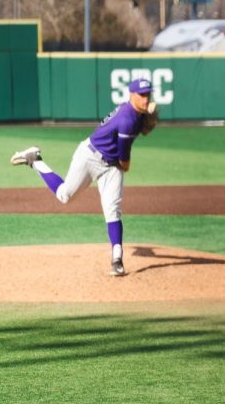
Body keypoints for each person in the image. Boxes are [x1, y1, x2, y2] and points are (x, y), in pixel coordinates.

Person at [10, 77, 157, 277]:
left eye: (148, 94)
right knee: (64, 196)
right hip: (90, 156)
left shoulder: (136, 114)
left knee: (112, 210)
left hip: (110, 166)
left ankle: (117, 260)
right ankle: (34, 160)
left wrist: (145, 119)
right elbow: (125, 163)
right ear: (132, 95)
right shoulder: (127, 119)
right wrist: (145, 124)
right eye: (142, 95)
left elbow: (134, 135)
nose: (146, 99)